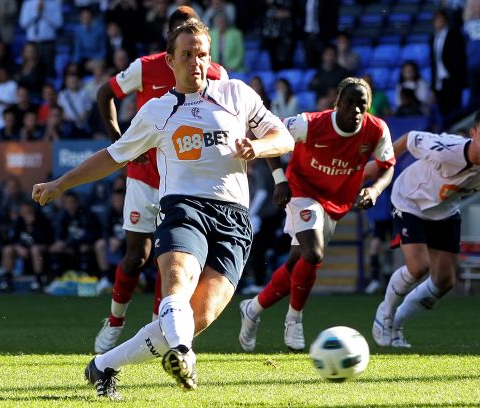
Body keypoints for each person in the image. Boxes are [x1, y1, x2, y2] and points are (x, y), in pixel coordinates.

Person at [32, 19, 294, 397]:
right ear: (170, 60)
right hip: (183, 208)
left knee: (197, 316)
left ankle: (103, 366)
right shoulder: (158, 111)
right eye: (187, 55)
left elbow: (283, 137)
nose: (196, 62)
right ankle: (183, 356)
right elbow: (113, 156)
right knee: (177, 281)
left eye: (202, 54)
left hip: (234, 219)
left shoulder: (237, 93)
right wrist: (60, 184)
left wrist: (259, 147)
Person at [93, 6, 228, 355]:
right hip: (144, 177)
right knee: (136, 255)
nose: (193, 56)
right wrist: (120, 140)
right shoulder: (145, 66)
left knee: (171, 256)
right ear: (169, 39)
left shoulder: (216, 74)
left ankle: (160, 327)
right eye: (182, 35)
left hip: (184, 183)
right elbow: (105, 93)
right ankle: (115, 321)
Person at [238, 77, 396, 352]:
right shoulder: (309, 123)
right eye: (349, 103)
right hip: (303, 190)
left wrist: (375, 190)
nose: (355, 110)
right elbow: (270, 136)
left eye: (361, 104)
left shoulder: (377, 129)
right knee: (313, 253)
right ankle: (294, 319)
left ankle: (252, 309)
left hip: (336, 202)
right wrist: (279, 179)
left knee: (297, 264)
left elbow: (387, 166)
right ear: (337, 103)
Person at [372, 108, 480, 349]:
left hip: (445, 210)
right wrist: (378, 168)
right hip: (410, 200)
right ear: (473, 133)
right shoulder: (445, 149)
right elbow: (409, 139)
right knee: (418, 267)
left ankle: (397, 323)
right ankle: (385, 313)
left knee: (444, 281)